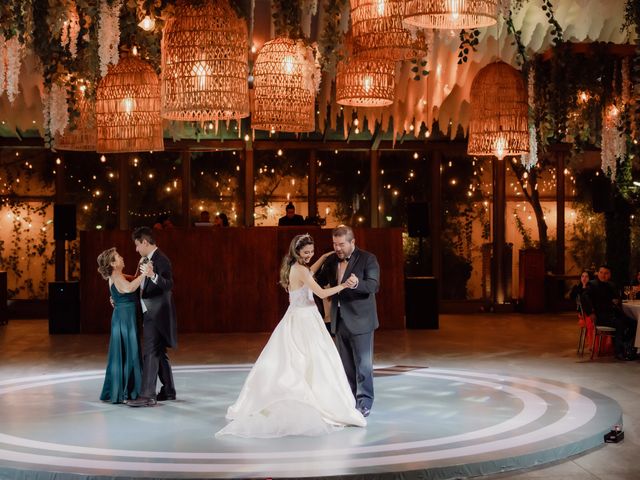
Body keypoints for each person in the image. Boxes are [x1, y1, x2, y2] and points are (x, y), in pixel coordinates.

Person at [216, 233, 366, 438]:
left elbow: (309, 273)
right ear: (297, 252)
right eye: (306, 252)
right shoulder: (301, 270)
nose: (310, 255)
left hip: (297, 317)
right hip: (305, 319)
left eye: (312, 252)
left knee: (299, 361)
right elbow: (321, 294)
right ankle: (314, 401)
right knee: (312, 360)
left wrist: (322, 258)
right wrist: (344, 285)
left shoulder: (293, 268)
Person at [315, 225, 380, 417]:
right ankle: (350, 401)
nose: (338, 248)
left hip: (361, 321)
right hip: (339, 319)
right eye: (335, 244)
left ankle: (365, 402)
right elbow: (318, 280)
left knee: (364, 365)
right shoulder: (331, 260)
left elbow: (374, 285)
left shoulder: (368, 258)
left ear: (352, 242)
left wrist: (358, 283)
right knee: (346, 365)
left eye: (341, 244)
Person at [127, 226, 178, 406]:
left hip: (156, 312)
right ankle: (169, 391)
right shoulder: (144, 259)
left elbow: (168, 284)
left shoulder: (161, 260)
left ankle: (147, 395)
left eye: (137, 245)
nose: (136, 249)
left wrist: (153, 275)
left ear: (145, 242)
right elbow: (139, 284)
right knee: (158, 352)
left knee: (150, 351)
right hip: (150, 311)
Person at [96, 248, 144, 404]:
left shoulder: (118, 275)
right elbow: (129, 287)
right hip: (124, 318)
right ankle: (130, 391)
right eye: (118, 256)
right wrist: (146, 274)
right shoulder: (116, 275)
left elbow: (132, 280)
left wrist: (141, 269)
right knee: (130, 350)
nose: (122, 257)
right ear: (113, 263)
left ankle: (127, 389)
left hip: (123, 316)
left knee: (127, 351)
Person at [581, 264, 637, 361]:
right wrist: (591, 312)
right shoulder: (592, 284)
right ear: (598, 273)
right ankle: (619, 351)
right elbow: (584, 297)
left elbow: (618, 299)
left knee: (634, 323)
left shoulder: (612, 285)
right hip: (601, 316)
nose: (603, 275)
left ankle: (623, 344)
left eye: (606, 273)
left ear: (609, 275)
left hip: (613, 314)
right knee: (620, 324)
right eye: (601, 273)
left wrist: (617, 301)